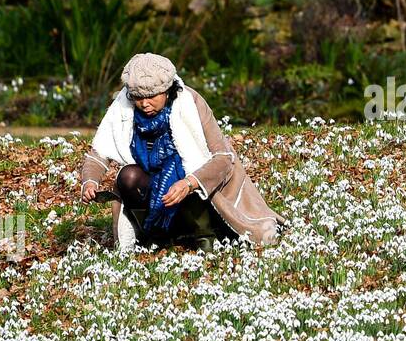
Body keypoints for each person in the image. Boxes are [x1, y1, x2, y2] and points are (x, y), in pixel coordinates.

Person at [79, 52, 285, 253]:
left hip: (194, 192)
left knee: (190, 166)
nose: (144, 103)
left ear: (167, 90)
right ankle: (151, 235)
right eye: (138, 97)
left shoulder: (190, 103)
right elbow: (99, 151)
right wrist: (90, 181)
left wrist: (189, 183)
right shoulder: (123, 107)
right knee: (128, 176)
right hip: (153, 188)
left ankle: (205, 235)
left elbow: (223, 158)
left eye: (151, 96)